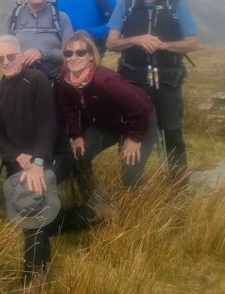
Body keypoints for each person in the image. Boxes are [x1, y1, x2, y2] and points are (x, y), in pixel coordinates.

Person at [106, 0, 199, 175]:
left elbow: (193, 43)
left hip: (168, 79)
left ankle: (176, 186)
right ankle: (131, 182)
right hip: (133, 81)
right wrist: (136, 40)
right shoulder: (127, 3)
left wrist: (164, 46)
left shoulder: (176, 2)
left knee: (172, 133)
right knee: (132, 130)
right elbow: (111, 43)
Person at [0, 34, 60, 284]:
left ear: (20, 55)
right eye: (0, 58)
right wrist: (17, 156)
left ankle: (31, 276)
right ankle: (87, 213)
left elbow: (47, 123)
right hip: (19, 163)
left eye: (11, 56)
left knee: (31, 203)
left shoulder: (36, 80)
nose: (6, 62)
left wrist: (38, 162)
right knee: (33, 202)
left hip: (46, 157)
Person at [57, 31, 158, 188]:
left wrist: (135, 138)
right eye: (68, 53)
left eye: (80, 52)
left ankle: (138, 205)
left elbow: (141, 108)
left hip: (140, 122)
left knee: (130, 173)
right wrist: (76, 135)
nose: (73, 57)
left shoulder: (106, 80)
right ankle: (90, 196)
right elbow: (68, 107)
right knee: (79, 154)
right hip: (109, 123)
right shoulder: (65, 78)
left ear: (91, 55)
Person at [2, 0, 73, 83]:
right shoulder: (13, 17)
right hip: (18, 82)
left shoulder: (61, 18)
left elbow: (70, 53)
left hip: (53, 83)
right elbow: (2, 51)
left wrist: (42, 53)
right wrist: (18, 57)